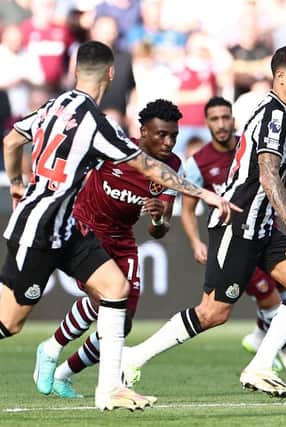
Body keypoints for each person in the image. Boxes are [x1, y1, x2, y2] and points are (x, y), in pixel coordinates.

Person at [0, 40, 237, 412]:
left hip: (67, 226)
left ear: (74, 71)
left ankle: (110, 389)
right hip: (39, 229)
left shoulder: (54, 105)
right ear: (111, 74)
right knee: (8, 322)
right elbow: (148, 166)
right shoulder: (95, 122)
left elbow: (11, 140)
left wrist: (16, 184)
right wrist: (207, 195)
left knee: (115, 289)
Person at [121, 46, 286, 398]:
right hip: (237, 224)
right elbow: (265, 172)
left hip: (258, 226)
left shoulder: (282, 116)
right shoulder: (275, 116)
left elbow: (269, 169)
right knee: (213, 312)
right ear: (281, 77)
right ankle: (133, 357)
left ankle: (260, 367)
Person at [33, 99, 182, 399]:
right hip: (86, 232)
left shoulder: (172, 166)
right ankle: (51, 348)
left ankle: (64, 373)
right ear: (142, 132)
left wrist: (156, 217)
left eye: (173, 136)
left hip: (123, 239)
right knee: (105, 302)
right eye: (161, 135)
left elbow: (160, 230)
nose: (168, 142)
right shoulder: (113, 149)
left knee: (121, 325)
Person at [181, 96, 286, 375]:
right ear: (206, 123)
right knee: (258, 302)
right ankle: (283, 354)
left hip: (262, 230)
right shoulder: (198, 163)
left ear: (233, 119)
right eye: (214, 119)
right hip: (233, 235)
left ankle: (258, 343)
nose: (221, 124)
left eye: (225, 117)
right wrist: (195, 242)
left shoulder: (248, 145)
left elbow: (283, 179)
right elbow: (188, 209)